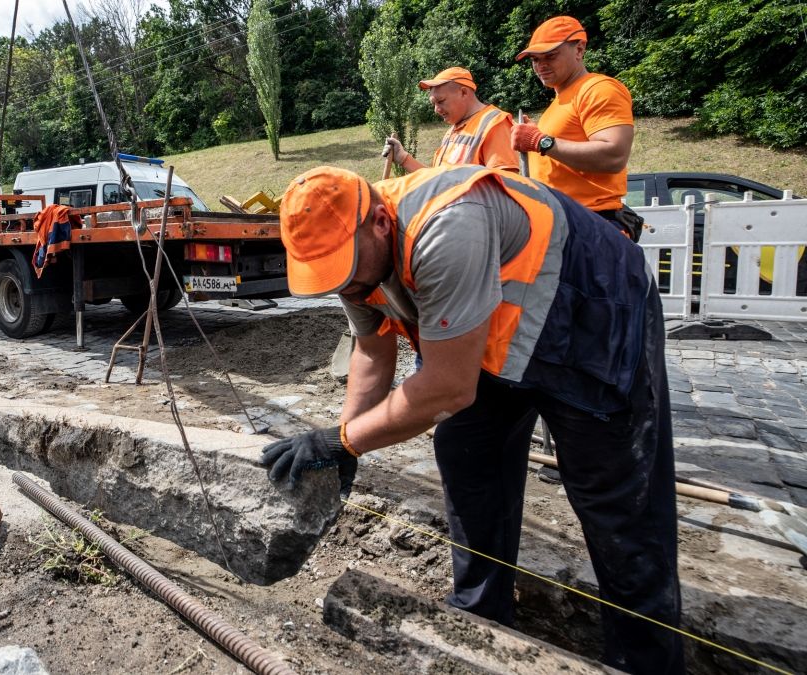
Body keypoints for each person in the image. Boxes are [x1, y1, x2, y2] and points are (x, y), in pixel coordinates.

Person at [261, 165, 683, 674]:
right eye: (327, 273)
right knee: (468, 456)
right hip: (489, 335)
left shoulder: (446, 227)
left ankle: (645, 660)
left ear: (378, 222)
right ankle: (481, 611)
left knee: (616, 499)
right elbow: (372, 352)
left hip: (592, 312)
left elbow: (447, 387)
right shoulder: (353, 258)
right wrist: (345, 441)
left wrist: (344, 440)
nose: (344, 283)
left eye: (345, 267)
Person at [510, 15, 643, 239]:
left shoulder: (598, 89)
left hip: (592, 224)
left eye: (550, 56)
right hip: (567, 224)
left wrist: (540, 141)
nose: (541, 66)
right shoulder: (561, 100)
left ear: (579, 49)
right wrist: (539, 138)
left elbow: (614, 156)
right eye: (534, 60)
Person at [384, 67, 518, 173]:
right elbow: (437, 181)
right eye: (433, 104)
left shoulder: (494, 124)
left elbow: (505, 189)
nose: (436, 109)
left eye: (441, 101)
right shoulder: (452, 131)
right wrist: (403, 158)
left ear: (464, 92)